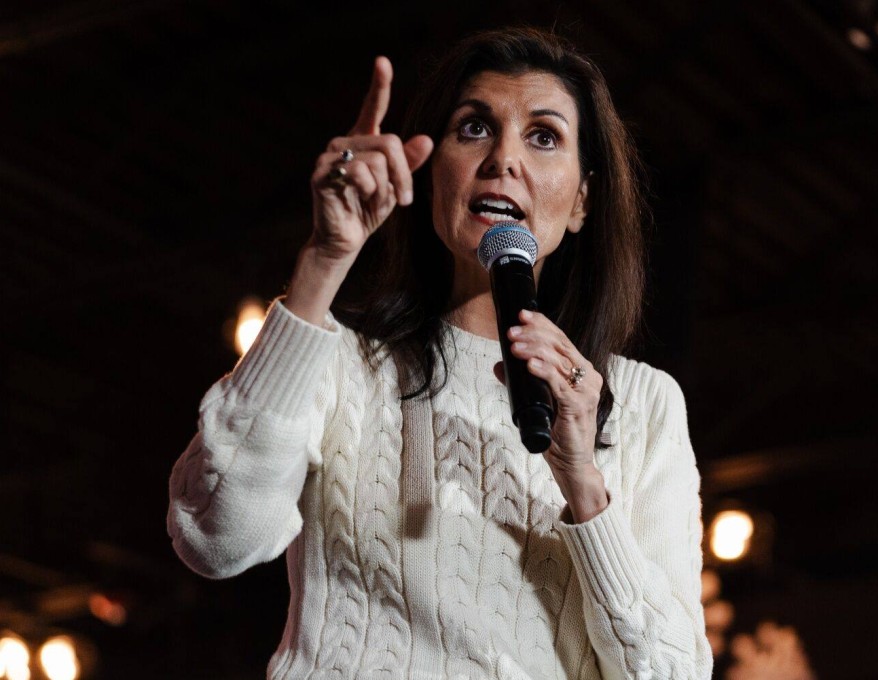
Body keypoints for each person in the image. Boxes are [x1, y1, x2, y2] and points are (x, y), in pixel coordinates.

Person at [168, 27, 712, 679]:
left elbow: (672, 673)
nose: (504, 159)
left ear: (583, 200)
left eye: (543, 136)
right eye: (474, 127)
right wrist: (323, 261)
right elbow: (213, 538)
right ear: (432, 175)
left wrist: (582, 481)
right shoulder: (340, 363)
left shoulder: (644, 405)